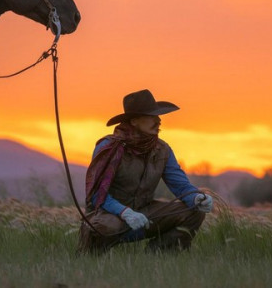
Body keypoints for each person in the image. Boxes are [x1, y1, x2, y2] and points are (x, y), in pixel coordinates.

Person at [78, 89, 214, 254]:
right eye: (152, 116)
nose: (158, 120)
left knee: (194, 212)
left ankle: (158, 256)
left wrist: (196, 197)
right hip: (107, 215)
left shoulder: (162, 149)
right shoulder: (108, 148)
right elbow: (97, 195)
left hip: (145, 213)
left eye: (158, 116)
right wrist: (125, 212)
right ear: (134, 121)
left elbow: (180, 185)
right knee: (103, 226)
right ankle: (92, 257)